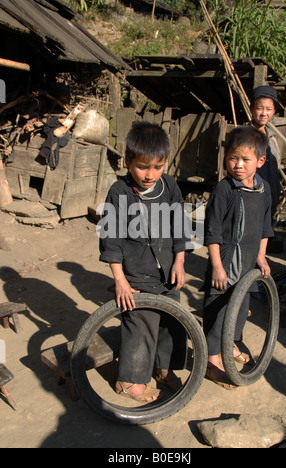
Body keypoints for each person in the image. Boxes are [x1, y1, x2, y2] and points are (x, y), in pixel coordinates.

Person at [99, 121, 189, 402]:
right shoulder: (119, 192)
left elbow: (180, 227)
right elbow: (110, 239)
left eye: (157, 167)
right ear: (127, 162)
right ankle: (129, 382)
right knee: (139, 326)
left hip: (167, 273)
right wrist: (120, 282)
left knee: (172, 323)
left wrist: (180, 262)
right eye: (142, 166)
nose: (150, 175)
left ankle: (164, 369)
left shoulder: (170, 186)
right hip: (136, 276)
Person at [203, 126, 274, 390]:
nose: (239, 165)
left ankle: (228, 345)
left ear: (260, 161)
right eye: (233, 158)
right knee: (217, 310)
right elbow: (212, 231)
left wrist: (262, 258)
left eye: (246, 159)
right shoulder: (224, 189)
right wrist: (217, 267)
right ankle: (211, 360)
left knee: (240, 309)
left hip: (248, 264)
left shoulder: (264, 189)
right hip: (225, 260)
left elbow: (266, 226)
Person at [250, 85, 281, 217]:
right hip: (252, 197)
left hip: (271, 198)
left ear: (274, 111)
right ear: (252, 110)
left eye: (268, 109)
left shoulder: (273, 139)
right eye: (259, 108)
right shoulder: (245, 137)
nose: (264, 113)